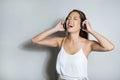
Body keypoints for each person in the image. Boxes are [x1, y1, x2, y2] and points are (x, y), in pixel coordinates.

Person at [32, 9, 114, 80]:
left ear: (82, 24)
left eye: (75, 19)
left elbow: (109, 47)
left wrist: (91, 31)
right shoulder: (60, 41)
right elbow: (35, 40)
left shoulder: (87, 44)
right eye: (68, 18)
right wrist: (55, 29)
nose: (70, 21)